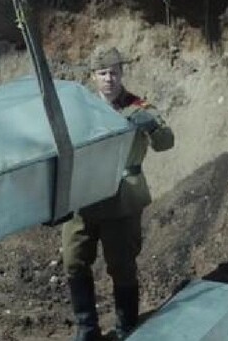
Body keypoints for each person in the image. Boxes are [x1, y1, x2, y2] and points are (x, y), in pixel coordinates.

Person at [62, 47, 175, 341]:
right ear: (93, 77)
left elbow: (166, 142)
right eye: (102, 73)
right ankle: (86, 328)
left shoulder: (138, 106)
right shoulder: (80, 107)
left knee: (122, 266)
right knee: (74, 261)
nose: (108, 79)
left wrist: (151, 126)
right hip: (83, 197)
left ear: (121, 74)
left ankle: (126, 329)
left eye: (113, 72)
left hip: (122, 200)